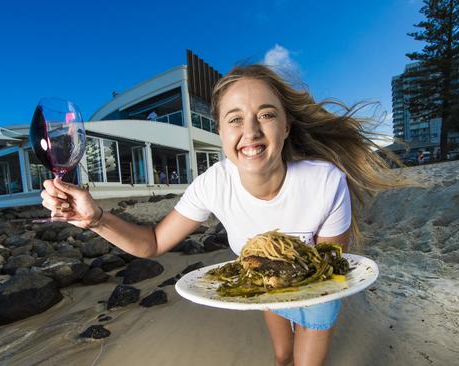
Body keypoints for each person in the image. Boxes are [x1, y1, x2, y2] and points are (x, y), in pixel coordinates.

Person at [41, 64, 403, 366]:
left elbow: (327, 272)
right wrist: (94, 219)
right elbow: (152, 243)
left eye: (266, 114)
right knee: (281, 358)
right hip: (262, 283)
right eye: (235, 119)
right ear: (219, 132)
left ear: (286, 126)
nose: (251, 131)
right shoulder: (212, 185)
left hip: (316, 293)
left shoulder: (325, 182)